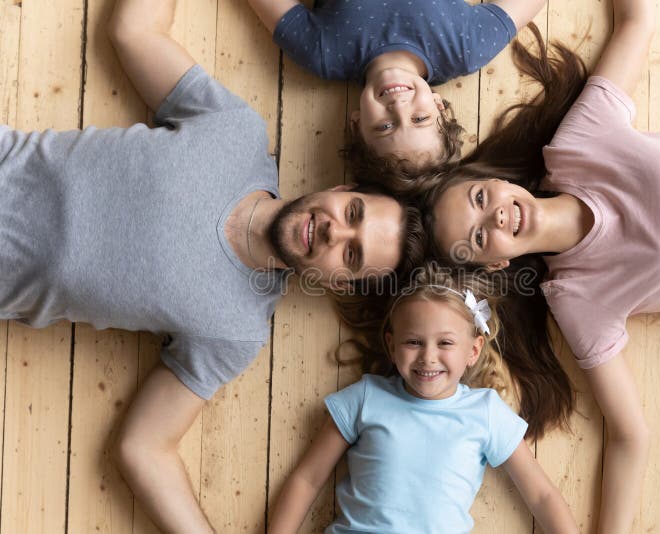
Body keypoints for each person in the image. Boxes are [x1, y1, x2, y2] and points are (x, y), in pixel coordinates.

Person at [0, 0, 423, 531]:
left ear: (338, 281)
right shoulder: (235, 130)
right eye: (353, 212)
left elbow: (144, 448)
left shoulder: (235, 332)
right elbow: (134, 31)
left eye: (352, 254)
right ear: (340, 190)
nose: (336, 230)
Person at [420, 0, 660, 530]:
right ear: (495, 262)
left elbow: (639, 20)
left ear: (499, 181)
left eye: (482, 197)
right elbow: (629, 435)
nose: (498, 216)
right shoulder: (577, 298)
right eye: (481, 237)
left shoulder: (579, 145)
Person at [268, 265, 579, 533]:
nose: (428, 358)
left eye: (445, 342)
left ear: (473, 350)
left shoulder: (485, 412)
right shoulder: (365, 398)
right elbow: (307, 479)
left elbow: (542, 496)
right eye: (413, 342)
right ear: (392, 346)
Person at [247, 0, 546, 175]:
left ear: (356, 124)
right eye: (420, 119)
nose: (399, 107)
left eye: (385, 126)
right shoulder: (467, 48)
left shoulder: (322, 52)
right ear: (439, 106)